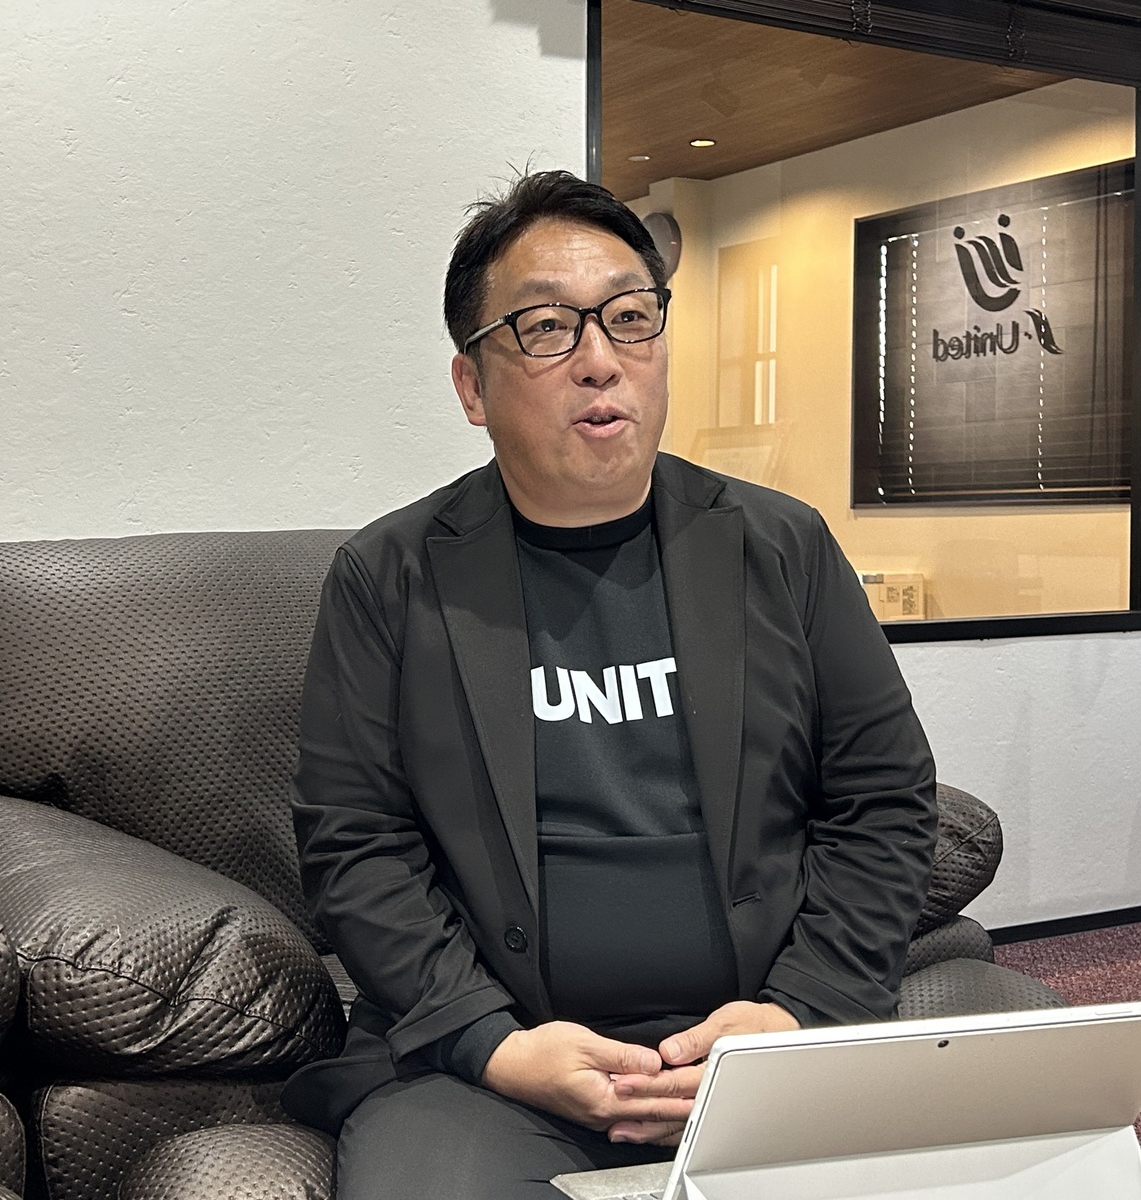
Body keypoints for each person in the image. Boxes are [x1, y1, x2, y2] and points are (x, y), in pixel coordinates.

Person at [281, 169, 938, 1198]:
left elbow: (885, 799)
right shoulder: (389, 577)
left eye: (631, 318)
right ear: (470, 387)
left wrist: (798, 1009)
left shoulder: (782, 547)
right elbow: (356, 844)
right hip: (494, 1069)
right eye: (547, 328)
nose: (601, 360)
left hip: (762, 1035)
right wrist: (493, 1042)